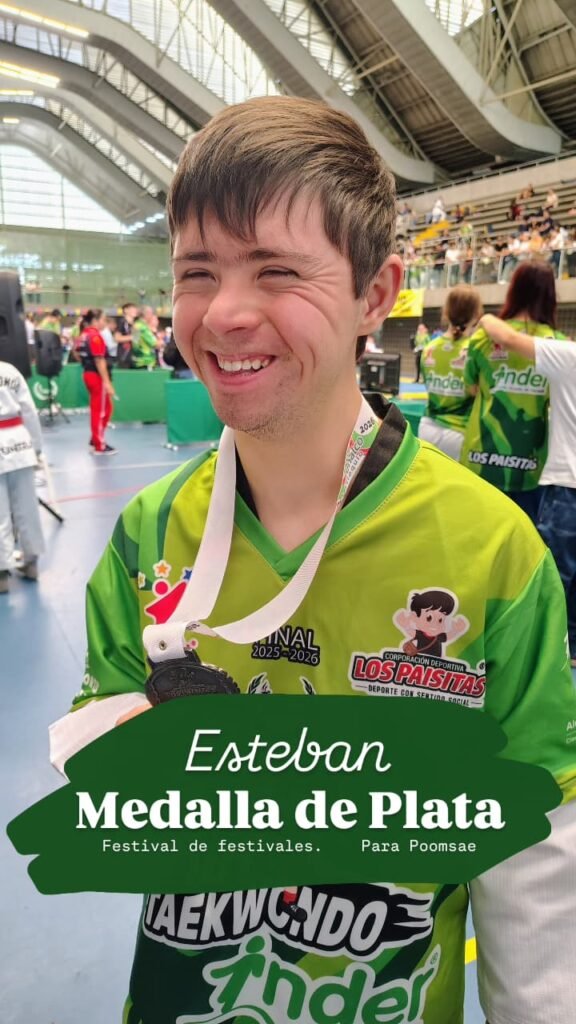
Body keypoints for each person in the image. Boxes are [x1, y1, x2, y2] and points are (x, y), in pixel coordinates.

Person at [49, 96, 576, 1024]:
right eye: (197, 272)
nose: (225, 313)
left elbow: (537, 855)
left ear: (375, 295)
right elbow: (95, 767)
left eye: (278, 270)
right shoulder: (146, 537)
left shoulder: (494, 552)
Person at [478, 313, 576, 666]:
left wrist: (485, 315)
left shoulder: (567, 356)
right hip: (563, 483)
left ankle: (544, 654)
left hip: (567, 485)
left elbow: (506, 337)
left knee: (553, 578)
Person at [460, 261, 562, 520]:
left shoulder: (482, 338)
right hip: (530, 466)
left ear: (513, 291)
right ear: (550, 295)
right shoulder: (558, 346)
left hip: (480, 459)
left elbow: (470, 388)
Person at [419, 285, 482, 460]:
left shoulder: (429, 348)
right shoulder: (475, 350)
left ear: (446, 312)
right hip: (460, 433)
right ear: (477, 314)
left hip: (427, 429)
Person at [0, 359, 44, 592]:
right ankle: (31, 562)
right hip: (20, 443)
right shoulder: (10, 371)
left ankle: (1, 574)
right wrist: (36, 446)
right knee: (27, 508)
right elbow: (29, 411)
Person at [78, 309, 117, 454]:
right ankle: (99, 446)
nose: (105, 323)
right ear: (95, 320)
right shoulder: (95, 336)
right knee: (99, 411)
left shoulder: (83, 335)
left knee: (107, 408)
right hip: (96, 376)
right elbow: (100, 360)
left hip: (89, 373)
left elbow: (76, 353)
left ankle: (95, 439)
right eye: (103, 319)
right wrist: (107, 383)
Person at [114, 302, 138, 368]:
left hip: (133, 356)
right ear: (126, 310)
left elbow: (136, 338)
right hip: (124, 356)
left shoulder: (134, 324)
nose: (135, 311)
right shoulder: (122, 322)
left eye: (135, 309)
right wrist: (131, 337)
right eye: (133, 309)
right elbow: (117, 338)